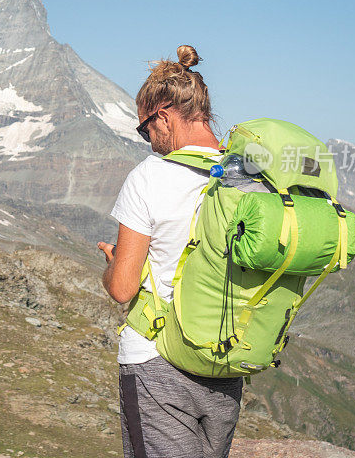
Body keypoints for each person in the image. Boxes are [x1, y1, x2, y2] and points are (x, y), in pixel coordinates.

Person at [98, 45, 243, 458]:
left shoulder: (150, 176)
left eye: (146, 130)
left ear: (162, 115)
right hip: (225, 363)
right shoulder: (245, 177)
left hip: (158, 362)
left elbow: (124, 288)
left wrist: (111, 267)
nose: (149, 142)